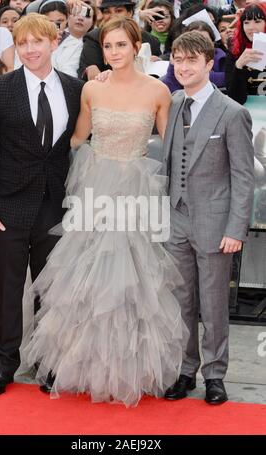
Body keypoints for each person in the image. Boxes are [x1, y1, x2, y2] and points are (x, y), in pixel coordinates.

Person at [23, 17, 188, 407]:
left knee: (134, 279)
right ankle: (70, 365)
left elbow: (172, 146)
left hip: (135, 189)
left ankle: (131, 369)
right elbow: (78, 137)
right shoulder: (92, 91)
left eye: (121, 46)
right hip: (94, 187)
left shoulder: (158, 91)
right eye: (108, 46)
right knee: (81, 277)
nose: (114, 53)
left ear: (136, 47)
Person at [0, 12, 83, 396]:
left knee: (51, 292)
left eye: (38, 41)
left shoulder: (74, 88)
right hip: (7, 208)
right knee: (7, 289)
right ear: (16, 48)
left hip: (56, 204)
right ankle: (4, 363)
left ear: (54, 43)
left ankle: (48, 363)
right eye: (23, 43)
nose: (30, 49)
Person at [163, 31, 254, 404]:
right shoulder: (172, 103)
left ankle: (215, 374)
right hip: (176, 220)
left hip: (216, 225)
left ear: (208, 63)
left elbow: (243, 177)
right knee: (180, 301)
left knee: (214, 303)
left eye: (191, 60)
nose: (183, 67)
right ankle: (186, 370)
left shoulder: (233, 112)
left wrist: (236, 228)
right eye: (177, 60)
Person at [78, 0, 161, 80]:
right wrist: (91, 70)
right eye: (107, 12)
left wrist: (159, 62)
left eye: (118, 11)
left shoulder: (150, 40)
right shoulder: (94, 38)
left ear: (130, 13)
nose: (113, 16)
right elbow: (89, 71)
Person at [161, 21, 226, 92]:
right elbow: (169, 90)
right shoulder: (178, 61)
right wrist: (172, 65)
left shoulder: (222, 58)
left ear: (213, 43)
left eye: (204, 40)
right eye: (192, 41)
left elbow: (228, 78)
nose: (199, 45)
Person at [225, 2, 266, 105]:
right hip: (249, 112)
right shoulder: (234, 50)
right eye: (246, 22)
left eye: (257, 21)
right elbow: (235, 99)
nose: (251, 27)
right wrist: (238, 66)